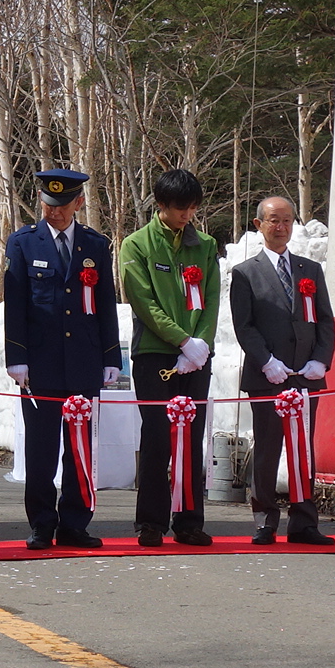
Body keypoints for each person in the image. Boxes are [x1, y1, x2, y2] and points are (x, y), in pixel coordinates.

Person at [0, 167, 124, 550]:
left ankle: (74, 523)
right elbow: (15, 305)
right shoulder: (23, 243)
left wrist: (111, 356)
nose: (54, 212)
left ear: (79, 203)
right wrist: (16, 357)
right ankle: (41, 523)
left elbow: (105, 304)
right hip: (40, 365)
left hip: (84, 361)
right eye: (48, 204)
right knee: (41, 449)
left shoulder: (94, 245)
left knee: (80, 449)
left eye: (62, 205)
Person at [121, 167, 222, 548]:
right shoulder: (137, 244)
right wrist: (180, 340)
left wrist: (200, 345)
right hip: (154, 353)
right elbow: (142, 301)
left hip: (197, 356)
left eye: (193, 208)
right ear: (161, 204)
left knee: (192, 438)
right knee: (157, 437)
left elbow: (212, 299)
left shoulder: (205, 245)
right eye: (181, 208)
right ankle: (150, 521)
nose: (187, 215)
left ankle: (189, 520)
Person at [229, 195, 335, 545]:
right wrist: (267, 361)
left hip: (305, 375)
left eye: (287, 220)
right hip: (268, 376)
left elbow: (325, 321)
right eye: (274, 220)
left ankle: (304, 522)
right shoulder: (246, 272)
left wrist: (320, 360)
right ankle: (265, 520)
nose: (281, 227)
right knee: (268, 448)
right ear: (259, 225)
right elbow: (244, 326)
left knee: (303, 449)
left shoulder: (310, 270)